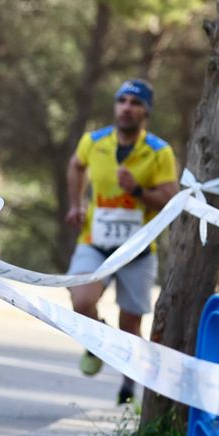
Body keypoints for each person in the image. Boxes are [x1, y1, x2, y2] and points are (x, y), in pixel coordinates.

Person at [64, 80, 179, 404]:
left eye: (135, 102)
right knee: (81, 299)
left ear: (146, 112)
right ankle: (96, 336)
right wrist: (76, 204)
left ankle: (128, 390)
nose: (127, 107)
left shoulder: (158, 151)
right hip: (95, 240)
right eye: (122, 101)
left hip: (137, 250)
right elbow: (75, 166)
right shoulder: (94, 141)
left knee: (131, 324)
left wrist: (138, 191)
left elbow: (171, 198)